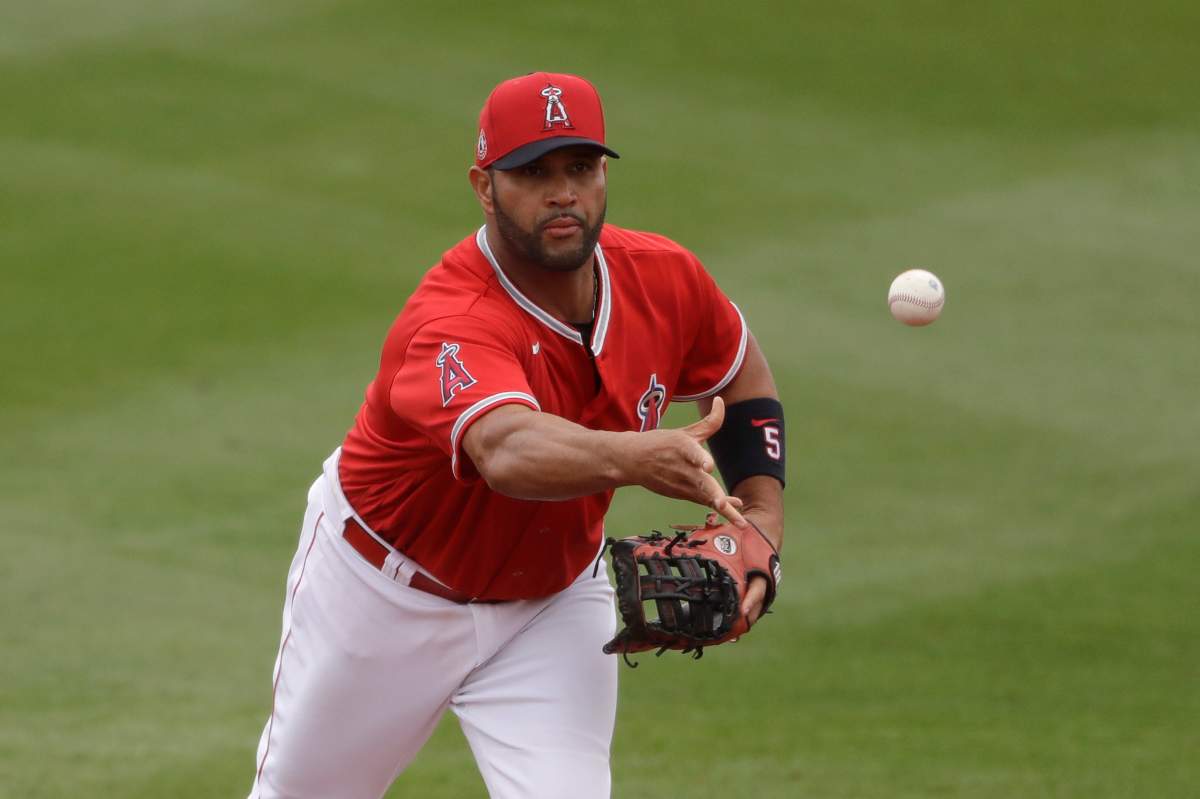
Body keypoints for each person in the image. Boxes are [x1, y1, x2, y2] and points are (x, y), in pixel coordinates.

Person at [247, 71, 786, 799]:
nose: (563, 192)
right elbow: (506, 450)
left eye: (581, 168)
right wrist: (637, 456)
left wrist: (763, 519)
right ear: (484, 186)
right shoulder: (453, 316)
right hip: (385, 597)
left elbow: (740, 369)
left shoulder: (662, 276)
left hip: (552, 603)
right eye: (533, 172)